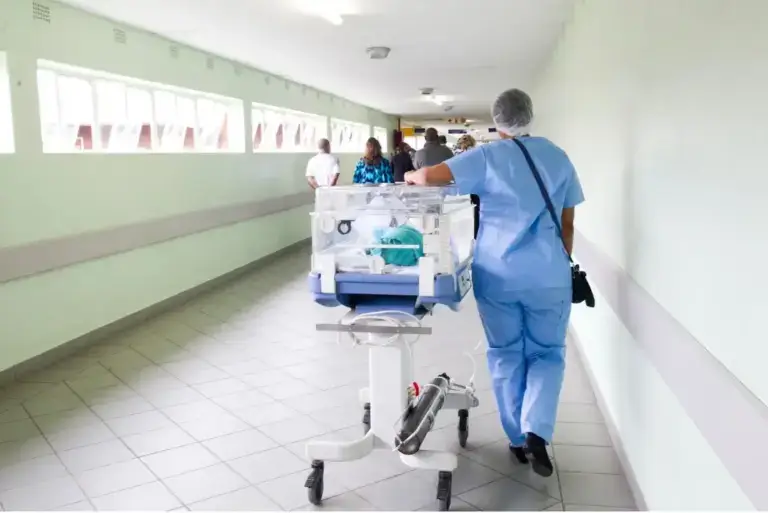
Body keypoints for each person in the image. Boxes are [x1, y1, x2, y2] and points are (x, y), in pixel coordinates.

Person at [405, 88, 584, 478]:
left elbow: (431, 177)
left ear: (499, 121)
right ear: (530, 116)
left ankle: (517, 439)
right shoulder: (559, 157)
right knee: (547, 353)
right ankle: (537, 431)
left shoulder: (488, 156)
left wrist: (411, 174)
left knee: (505, 353)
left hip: (499, 275)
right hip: (549, 276)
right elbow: (568, 225)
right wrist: (556, 263)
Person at [454, 134, 480, 238]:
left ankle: (467, 234)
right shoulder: (478, 153)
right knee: (477, 209)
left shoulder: (458, 155)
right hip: (477, 185)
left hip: (463, 186)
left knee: (465, 211)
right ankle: (476, 234)